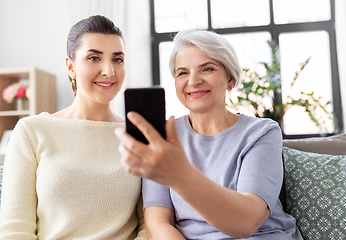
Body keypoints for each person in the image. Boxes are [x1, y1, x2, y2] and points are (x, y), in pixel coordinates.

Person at [116, 30, 303, 239]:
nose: (193, 81)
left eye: (207, 69)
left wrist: (178, 174)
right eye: (182, 73)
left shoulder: (261, 133)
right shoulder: (162, 137)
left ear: (230, 79)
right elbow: (157, 223)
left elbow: (246, 223)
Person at [0, 15, 146, 240]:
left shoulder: (137, 134)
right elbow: (15, 231)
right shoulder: (32, 131)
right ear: (71, 66)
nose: (109, 70)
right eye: (94, 58)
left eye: (117, 59)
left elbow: (149, 224)